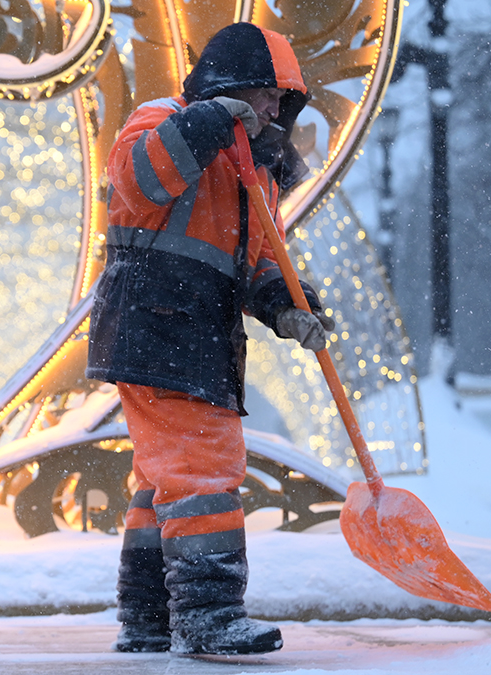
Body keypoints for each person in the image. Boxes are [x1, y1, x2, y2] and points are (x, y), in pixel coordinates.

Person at [85, 22, 335, 655]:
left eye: (286, 100)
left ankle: (151, 619)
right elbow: (135, 180)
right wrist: (206, 123)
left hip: (190, 339)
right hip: (159, 327)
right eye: (270, 94)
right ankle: (210, 617)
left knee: (164, 482)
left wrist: (289, 307)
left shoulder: (258, 172)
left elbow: (257, 263)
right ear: (232, 84)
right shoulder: (162, 119)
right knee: (204, 469)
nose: (278, 110)